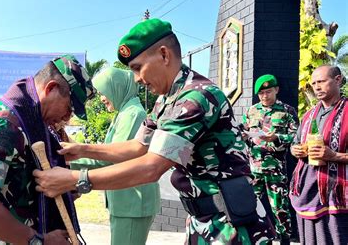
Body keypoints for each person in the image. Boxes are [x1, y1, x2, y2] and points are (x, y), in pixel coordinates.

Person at [34, 19, 276, 244]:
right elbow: (138, 146)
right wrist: (81, 150)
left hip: (231, 224)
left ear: (163, 54)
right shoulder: (166, 101)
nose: (137, 79)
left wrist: (77, 180)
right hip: (204, 219)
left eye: (138, 68)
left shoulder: (197, 97)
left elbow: (152, 166)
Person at [0, 55, 95, 245]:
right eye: (69, 108)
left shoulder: (31, 121)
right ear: (51, 88)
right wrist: (39, 242)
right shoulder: (4, 125)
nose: (67, 118)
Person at [71, 67, 160, 245]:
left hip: (133, 203)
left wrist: (69, 162)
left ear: (116, 87)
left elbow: (111, 156)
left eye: (104, 92)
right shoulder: (124, 113)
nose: (102, 98)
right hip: (126, 202)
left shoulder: (133, 113)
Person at [290, 65, 348, 245]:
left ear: (337, 80)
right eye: (314, 83)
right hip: (308, 191)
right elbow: (295, 143)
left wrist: (335, 156)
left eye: (321, 81)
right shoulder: (309, 115)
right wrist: (296, 150)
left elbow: (335, 155)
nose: (316, 87)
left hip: (337, 194)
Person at [242, 74, 298, 244]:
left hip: (276, 169)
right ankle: (255, 238)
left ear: (276, 90)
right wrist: (244, 136)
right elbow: (243, 132)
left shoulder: (287, 111)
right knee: (251, 206)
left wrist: (277, 137)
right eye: (261, 93)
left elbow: (296, 136)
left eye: (268, 92)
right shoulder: (251, 111)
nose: (265, 96)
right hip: (254, 169)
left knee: (279, 207)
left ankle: (285, 239)